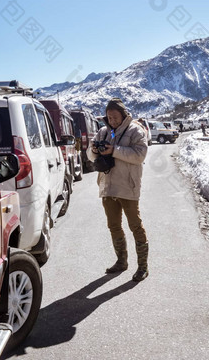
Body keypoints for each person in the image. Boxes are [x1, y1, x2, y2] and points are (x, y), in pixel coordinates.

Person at [87, 98, 149, 282]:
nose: (112, 121)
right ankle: (121, 261)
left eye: (115, 117)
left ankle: (143, 267)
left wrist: (114, 150)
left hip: (128, 186)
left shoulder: (136, 130)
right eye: (109, 117)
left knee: (135, 226)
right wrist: (94, 150)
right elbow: (90, 156)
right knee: (113, 226)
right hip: (108, 186)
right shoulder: (103, 131)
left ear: (123, 115)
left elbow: (140, 155)